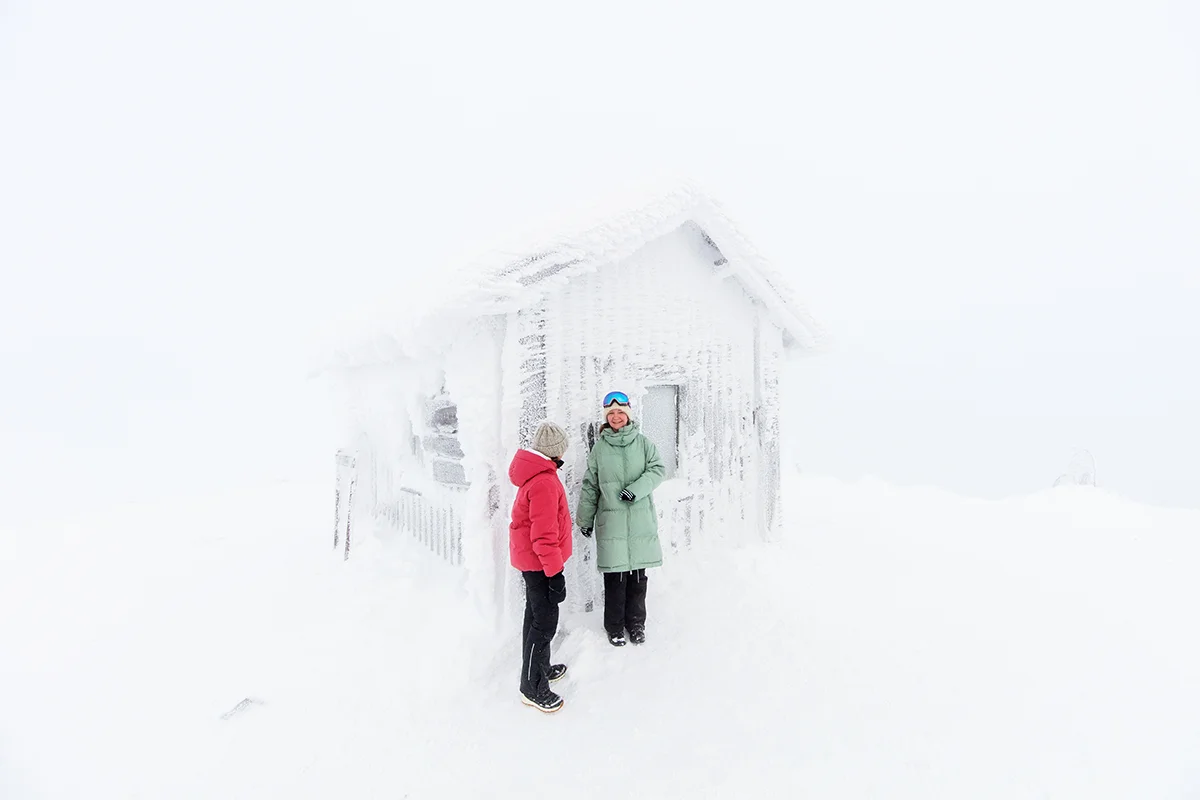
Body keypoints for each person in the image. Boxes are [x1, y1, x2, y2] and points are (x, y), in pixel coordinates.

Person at [576, 391, 666, 646]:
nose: (616, 417)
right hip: (612, 523)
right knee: (615, 579)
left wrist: (636, 490)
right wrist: (584, 519)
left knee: (637, 579)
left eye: (620, 412)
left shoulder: (644, 444)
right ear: (606, 417)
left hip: (639, 522)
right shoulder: (600, 449)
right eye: (611, 414)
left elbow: (658, 469)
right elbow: (590, 485)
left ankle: (636, 624)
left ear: (628, 415)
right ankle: (614, 627)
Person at [508, 420, 573, 712]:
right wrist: (555, 572)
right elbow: (544, 536)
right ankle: (532, 687)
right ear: (556, 451)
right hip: (541, 564)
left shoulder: (536, 475)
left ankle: (540, 668)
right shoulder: (545, 482)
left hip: (534, 562)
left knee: (534, 616)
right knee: (544, 623)